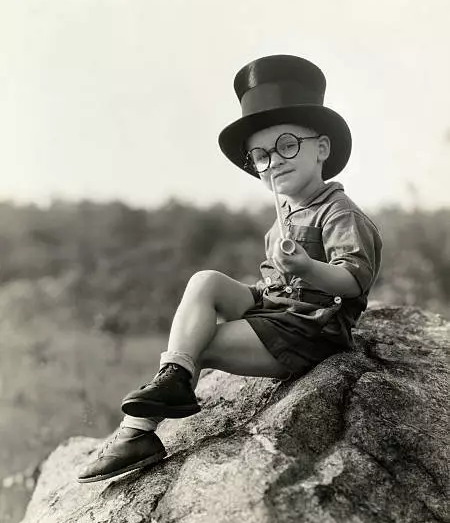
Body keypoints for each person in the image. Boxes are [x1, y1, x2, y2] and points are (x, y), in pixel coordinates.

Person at [78, 54, 382, 483]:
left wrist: (307, 267)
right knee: (205, 282)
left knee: (204, 342)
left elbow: (351, 282)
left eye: (288, 145)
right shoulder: (283, 221)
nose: (274, 160)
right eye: (260, 155)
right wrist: (264, 287)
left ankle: (138, 431)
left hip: (311, 329)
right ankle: (174, 379)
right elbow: (275, 284)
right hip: (279, 313)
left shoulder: (339, 214)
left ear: (322, 148)